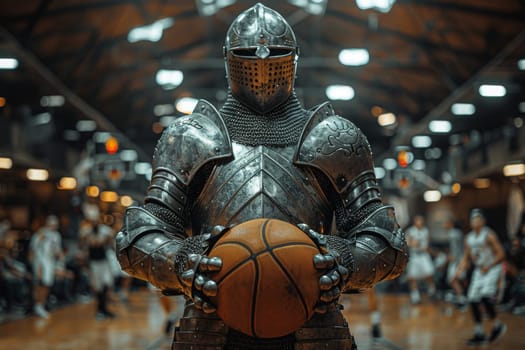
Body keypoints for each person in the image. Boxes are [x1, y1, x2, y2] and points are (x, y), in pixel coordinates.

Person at [115, 3, 408, 349]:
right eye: (247, 54)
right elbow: (139, 235)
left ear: (293, 59)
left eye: (277, 54)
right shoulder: (192, 137)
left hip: (314, 327)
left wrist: (342, 258)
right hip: (211, 325)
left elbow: (386, 240)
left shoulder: (333, 138)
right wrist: (182, 259)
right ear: (229, 60)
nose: (263, 65)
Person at [454, 209, 506, 346]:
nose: (475, 221)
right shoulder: (469, 238)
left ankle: (497, 325)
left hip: (492, 268)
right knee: (472, 299)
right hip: (479, 270)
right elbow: (466, 258)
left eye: (477, 219)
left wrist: (489, 266)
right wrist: (459, 270)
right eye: (473, 219)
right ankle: (479, 332)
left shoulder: (489, 235)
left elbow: (501, 254)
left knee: (485, 296)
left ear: (483, 221)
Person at [80, 213, 116, 319]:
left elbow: (111, 238)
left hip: (104, 261)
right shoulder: (86, 231)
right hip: (94, 263)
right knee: (97, 286)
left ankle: (104, 308)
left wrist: (106, 240)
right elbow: (84, 244)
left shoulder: (105, 230)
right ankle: (100, 310)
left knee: (107, 283)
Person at [28, 215, 64, 318]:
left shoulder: (56, 236)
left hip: (50, 262)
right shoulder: (40, 233)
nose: (53, 227)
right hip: (40, 261)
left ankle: (41, 305)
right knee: (39, 283)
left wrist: (61, 263)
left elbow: (57, 250)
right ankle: (37, 305)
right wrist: (34, 265)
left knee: (47, 284)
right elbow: (32, 249)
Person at [405, 215, 436, 304]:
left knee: (429, 273)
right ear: (415, 222)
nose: (419, 222)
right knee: (412, 277)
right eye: (418, 220)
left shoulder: (425, 231)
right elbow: (407, 243)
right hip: (415, 255)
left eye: (421, 220)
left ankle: (432, 291)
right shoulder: (410, 231)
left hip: (424, 255)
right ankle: (415, 296)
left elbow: (427, 243)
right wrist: (413, 243)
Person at [443, 217, 467, 308]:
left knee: (453, 280)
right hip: (460, 260)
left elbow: (456, 249)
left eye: (446, 223)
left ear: (451, 223)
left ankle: (462, 298)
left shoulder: (452, 234)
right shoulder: (458, 233)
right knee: (458, 279)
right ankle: (462, 296)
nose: (444, 225)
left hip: (458, 261)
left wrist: (454, 259)